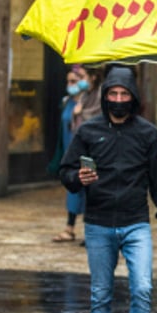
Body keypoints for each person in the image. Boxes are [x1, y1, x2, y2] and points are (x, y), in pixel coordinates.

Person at [59, 66, 157, 313]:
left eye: (125, 95)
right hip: (97, 223)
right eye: (113, 94)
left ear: (134, 97)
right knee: (100, 296)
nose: (119, 100)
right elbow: (66, 172)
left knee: (142, 289)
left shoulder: (148, 134)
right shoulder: (88, 131)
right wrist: (76, 179)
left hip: (136, 222)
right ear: (105, 95)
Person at [53, 65, 89, 243]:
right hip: (69, 152)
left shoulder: (90, 102)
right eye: (68, 81)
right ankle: (70, 228)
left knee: (87, 188)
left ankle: (87, 230)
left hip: (85, 153)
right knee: (72, 188)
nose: (70, 84)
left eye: (74, 81)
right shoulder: (67, 101)